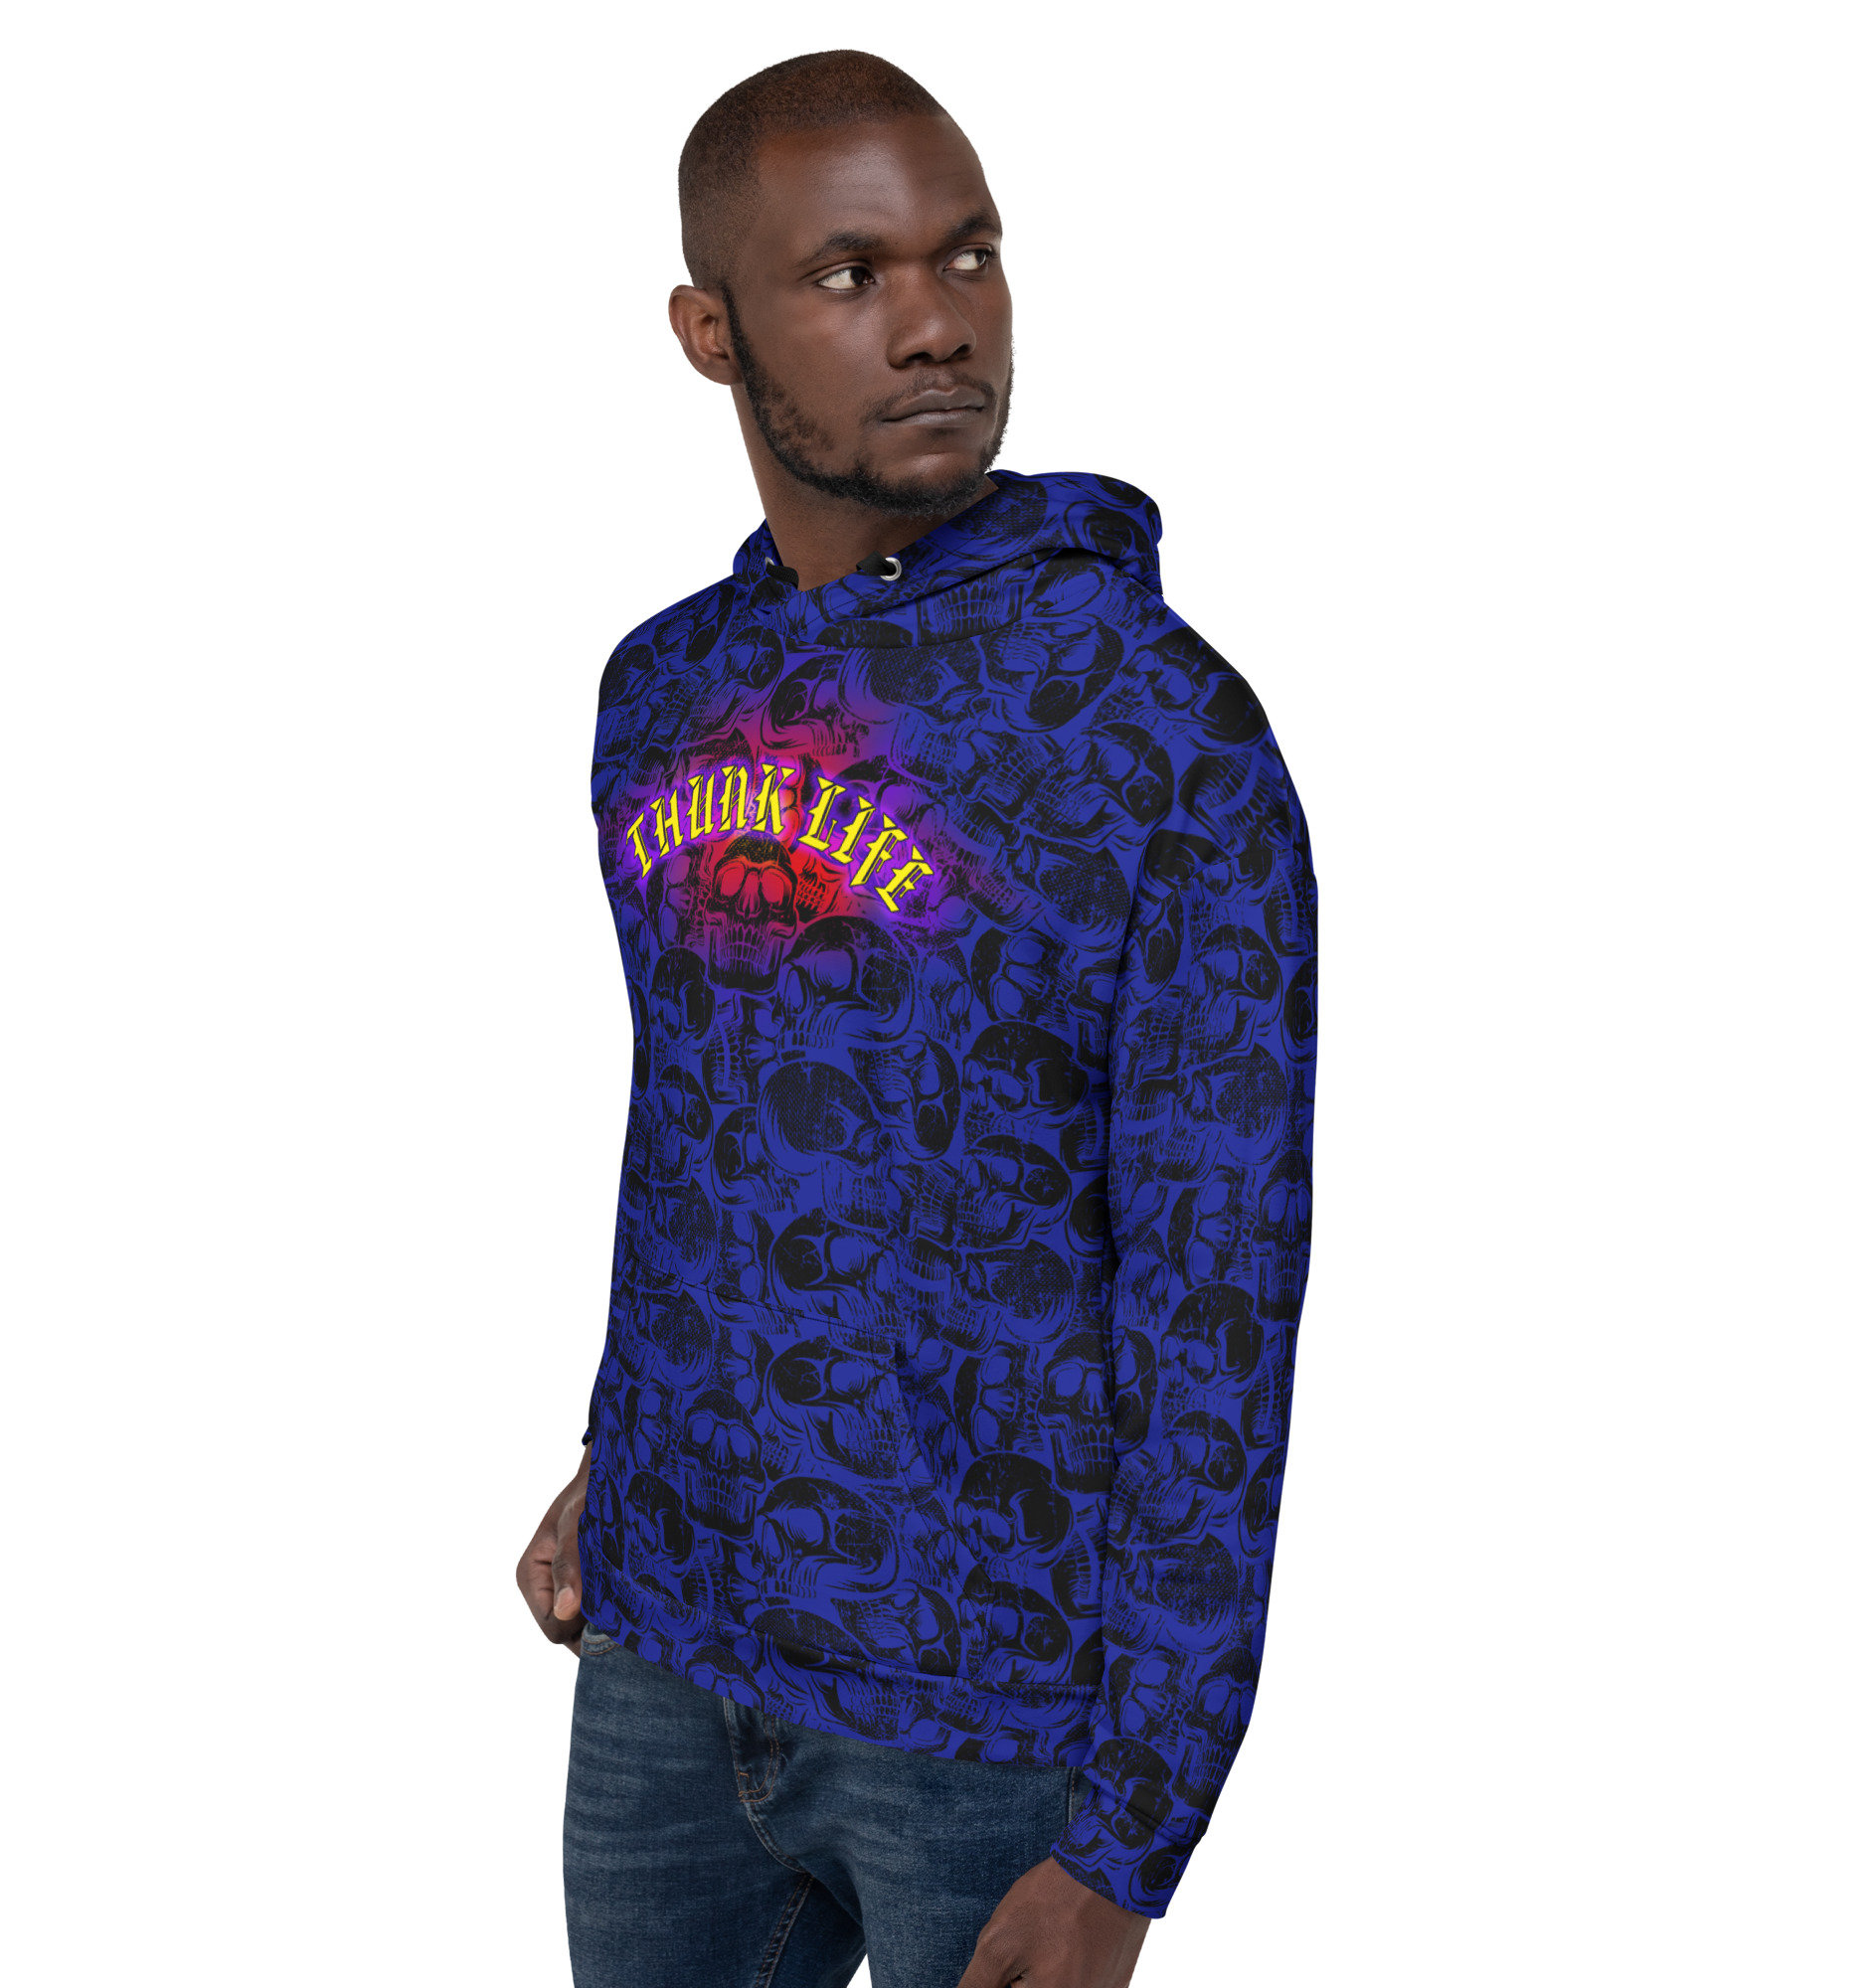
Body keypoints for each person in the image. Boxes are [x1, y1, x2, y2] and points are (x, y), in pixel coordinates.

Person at [517, 50, 1316, 1988]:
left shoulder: (1157, 733)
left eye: (969, 254)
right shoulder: (661, 697)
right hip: (669, 1650)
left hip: (985, 1711)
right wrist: (631, 1450)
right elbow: (710, 1135)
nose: (941, 319)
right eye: (849, 274)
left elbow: (1216, 1294)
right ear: (711, 333)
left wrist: (1136, 1830)